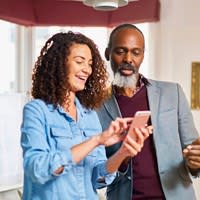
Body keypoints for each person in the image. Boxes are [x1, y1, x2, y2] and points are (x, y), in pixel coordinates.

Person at [20, 31, 152, 200]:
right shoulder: (37, 110)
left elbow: (98, 179)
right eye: (79, 61)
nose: (87, 69)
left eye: (90, 63)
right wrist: (96, 140)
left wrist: (123, 153)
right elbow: (37, 170)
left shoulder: (89, 115)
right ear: (59, 64)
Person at [97, 24, 200, 200]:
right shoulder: (95, 106)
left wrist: (195, 163)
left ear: (143, 55)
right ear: (108, 54)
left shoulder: (172, 93)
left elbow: (192, 151)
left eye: (135, 52)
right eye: (121, 51)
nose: (128, 59)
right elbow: (98, 176)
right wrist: (122, 157)